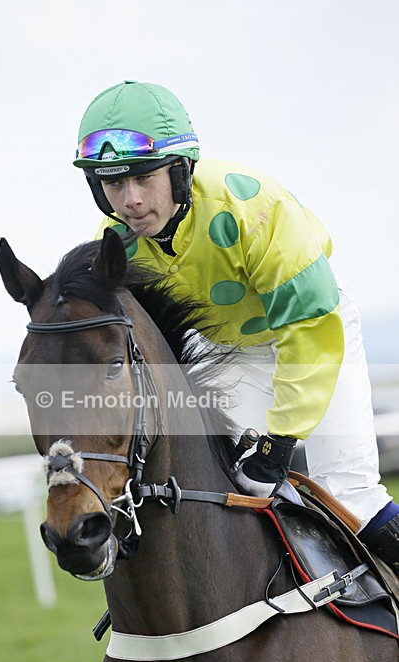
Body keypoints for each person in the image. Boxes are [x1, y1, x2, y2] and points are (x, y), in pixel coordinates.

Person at [72, 79, 399, 575]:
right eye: (114, 184)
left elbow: (307, 327)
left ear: (180, 171)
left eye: (144, 179)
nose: (130, 200)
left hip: (313, 331)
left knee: (348, 495)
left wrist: (279, 442)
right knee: (231, 489)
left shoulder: (254, 207)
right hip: (231, 349)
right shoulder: (115, 243)